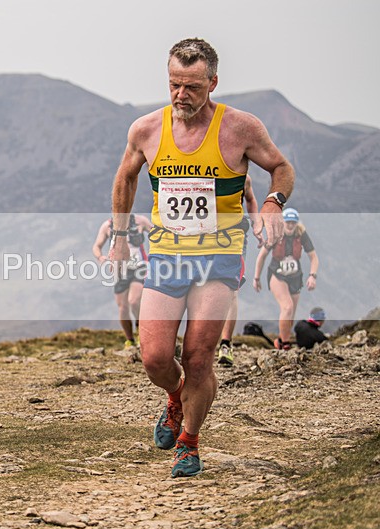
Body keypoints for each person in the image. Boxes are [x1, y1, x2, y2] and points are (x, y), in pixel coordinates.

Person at [108, 38, 294, 477]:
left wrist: (273, 203)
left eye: (192, 86)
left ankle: (189, 442)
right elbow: (125, 178)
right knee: (153, 355)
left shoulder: (241, 128)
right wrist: (118, 238)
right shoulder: (146, 130)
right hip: (168, 252)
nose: (180, 95)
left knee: (198, 356)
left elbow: (281, 167)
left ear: (212, 82)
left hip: (219, 254)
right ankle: (176, 398)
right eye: (174, 84)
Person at [253, 207, 319, 350]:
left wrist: (312, 276)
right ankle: (286, 344)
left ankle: (280, 340)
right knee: (287, 307)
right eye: (287, 222)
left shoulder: (301, 234)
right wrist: (256, 278)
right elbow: (262, 256)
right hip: (277, 274)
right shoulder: (275, 234)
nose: (290, 225)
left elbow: (314, 257)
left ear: (296, 224)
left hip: (296, 277)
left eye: (292, 223)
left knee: (291, 314)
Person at [217, 174, 260, 366]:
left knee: (231, 292)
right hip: (200, 238)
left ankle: (225, 344)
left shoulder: (244, 178)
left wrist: (256, 224)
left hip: (234, 239)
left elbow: (250, 199)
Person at [93, 213, 152, 347]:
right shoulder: (108, 226)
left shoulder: (140, 221)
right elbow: (96, 246)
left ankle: (139, 328)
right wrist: (100, 257)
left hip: (140, 267)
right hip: (121, 269)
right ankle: (129, 340)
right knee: (123, 307)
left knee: (134, 300)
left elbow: (156, 234)